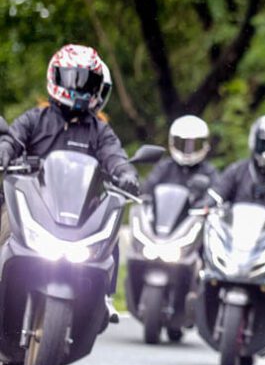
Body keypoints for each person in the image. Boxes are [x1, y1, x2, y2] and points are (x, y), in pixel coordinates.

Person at [0, 44, 140, 319]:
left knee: (110, 225)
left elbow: (115, 156)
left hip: (79, 212)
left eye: (86, 81)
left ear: (97, 87)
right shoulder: (35, 118)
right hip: (34, 204)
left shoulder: (100, 130)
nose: (77, 86)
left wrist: (127, 174)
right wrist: (4, 150)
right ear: (55, 76)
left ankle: (105, 297)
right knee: (5, 218)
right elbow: (12, 138)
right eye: (71, 77)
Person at [143, 115, 219, 201]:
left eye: (194, 145)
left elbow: (216, 193)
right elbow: (147, 190)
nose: (188, 150)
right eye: (182, 144)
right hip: (166, 209)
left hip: (196, 209)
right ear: (172, 141)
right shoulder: (164, 167)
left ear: (204, 144)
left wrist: (206, 202)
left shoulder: (208, 170)